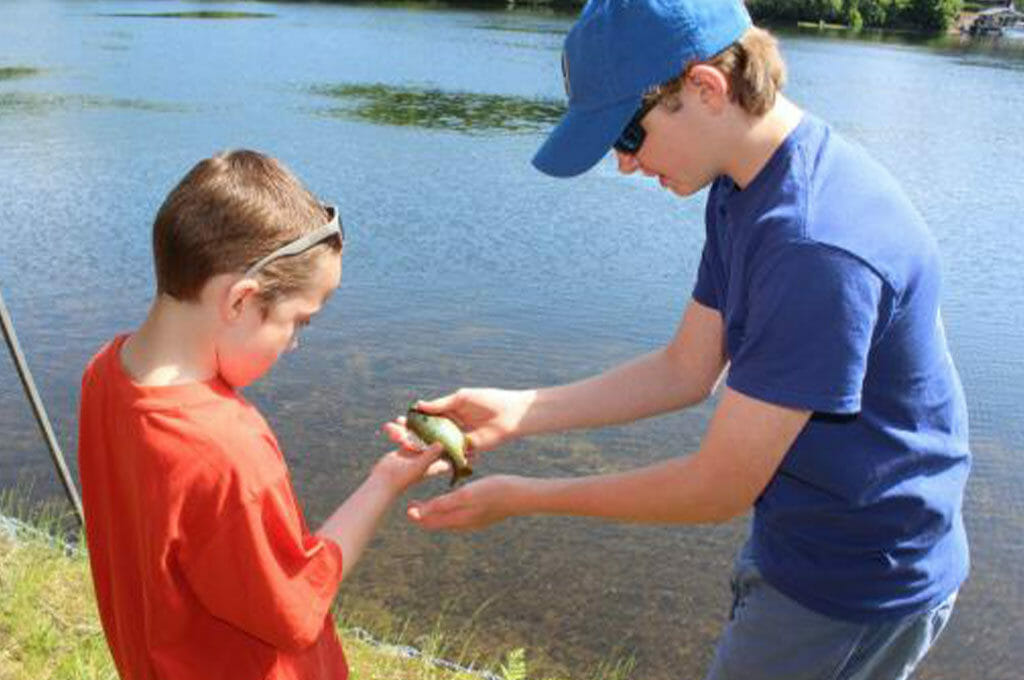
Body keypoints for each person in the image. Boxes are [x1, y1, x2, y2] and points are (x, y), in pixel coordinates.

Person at [384, 1, 971, 678]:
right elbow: (686, 369)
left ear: (706, 89)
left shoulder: (815, 245)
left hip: (855, 582)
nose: (626, 165)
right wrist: (519, 412)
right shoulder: (745, 183)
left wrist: (525, 497)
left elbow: (714, 489)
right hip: (803, 536)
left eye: (627, 137)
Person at [77, 150, 444, 680]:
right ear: (241, 301)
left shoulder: (103, 374)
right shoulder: (227, 447)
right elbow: (295, 611)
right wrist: (383, 484)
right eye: (299, 322)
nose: (294, 344)